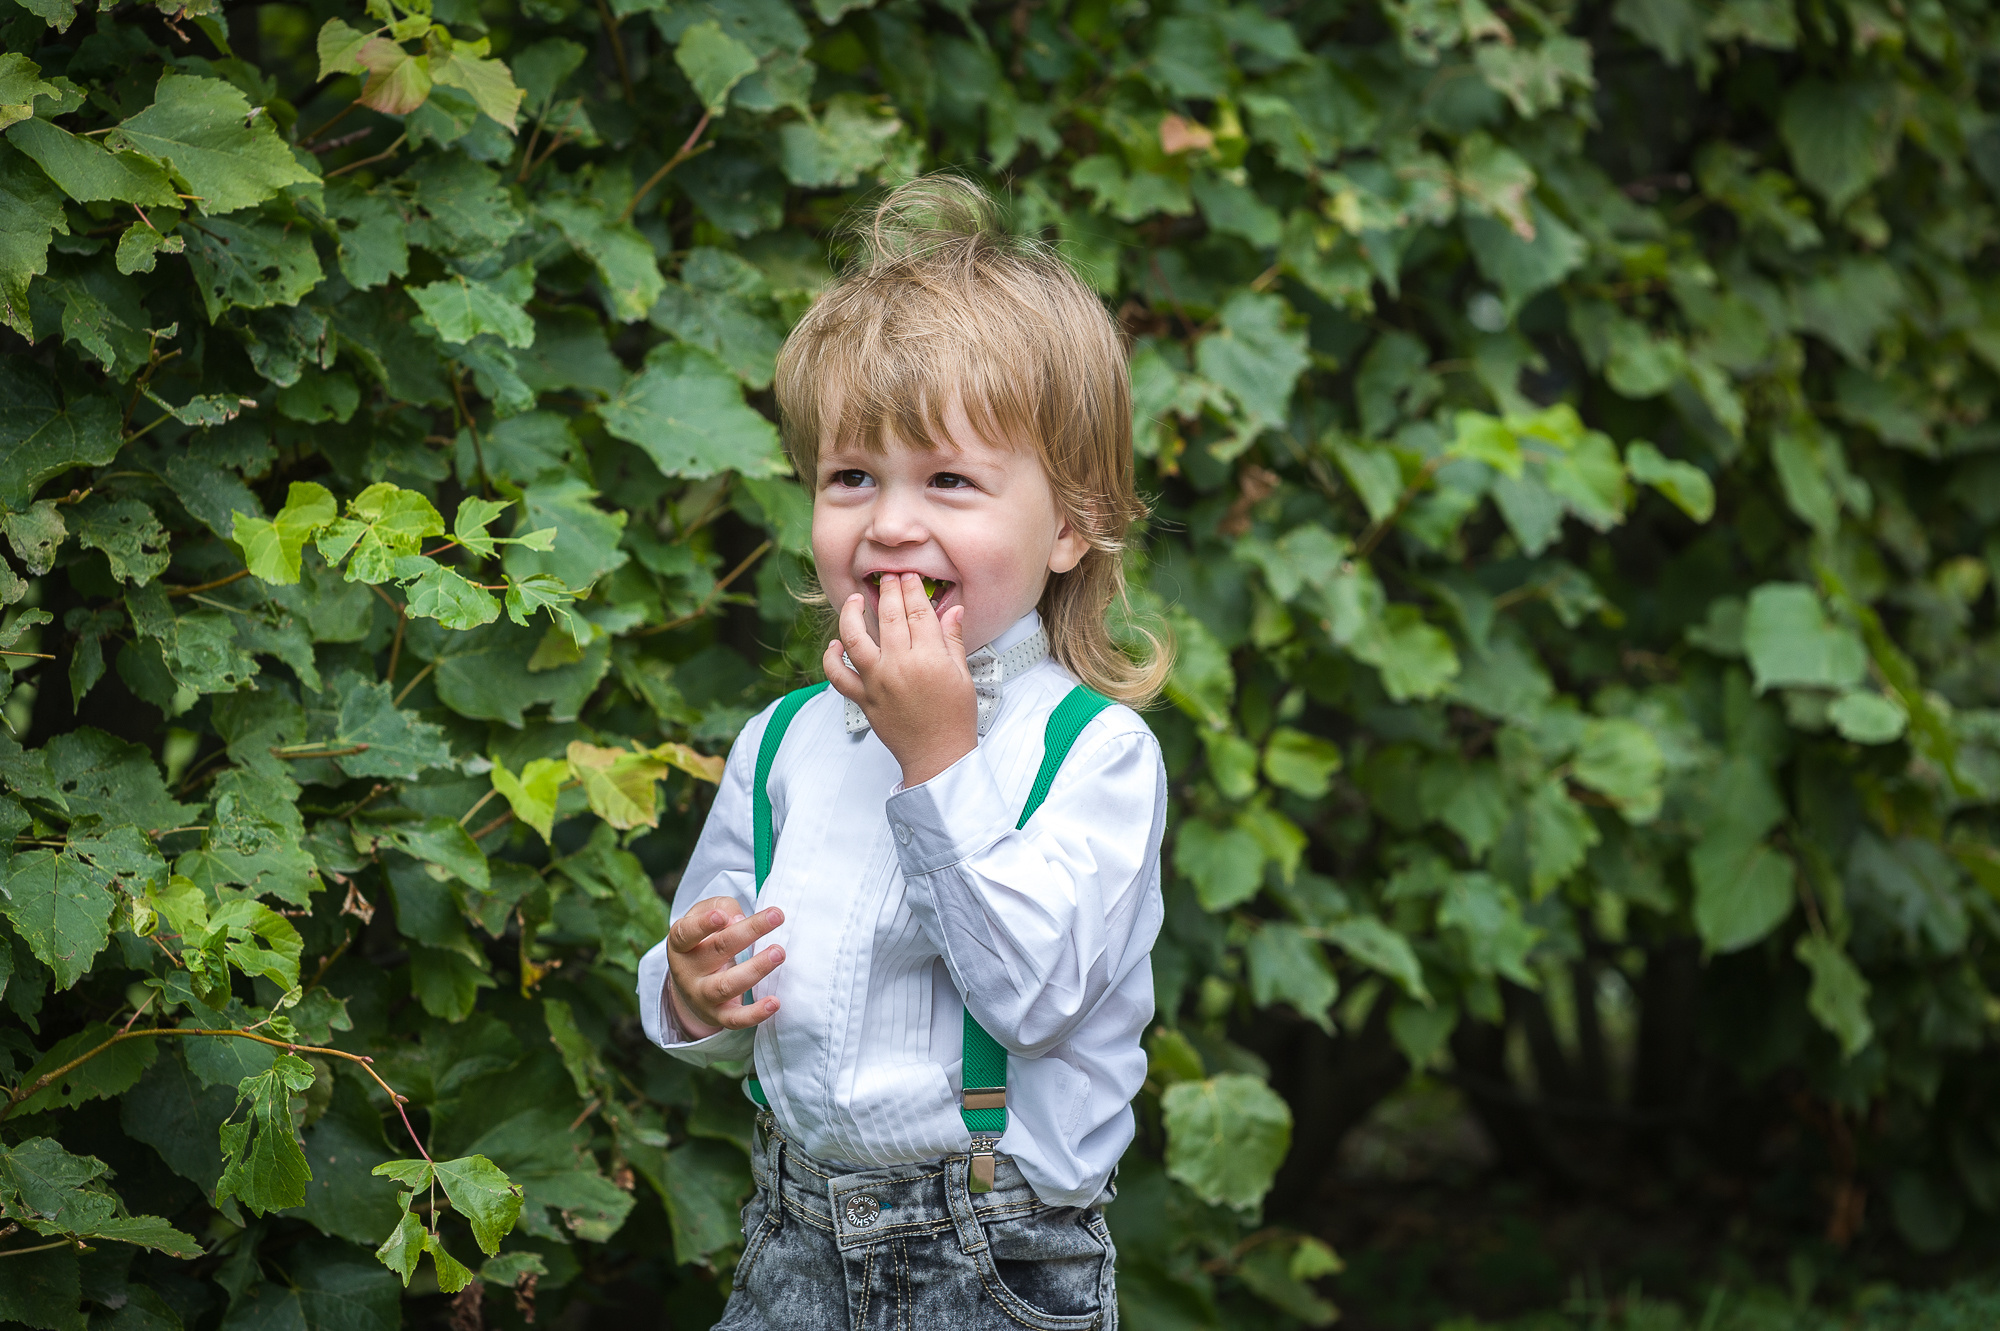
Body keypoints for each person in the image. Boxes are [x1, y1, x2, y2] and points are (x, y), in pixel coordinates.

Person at [635, 173, 1170, 1331]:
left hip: (991, 1258)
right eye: (850, 478)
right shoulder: (781, 740)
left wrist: (935, 755)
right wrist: (687, 989)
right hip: (793, 1235)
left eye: (948, 482)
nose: (887, 523)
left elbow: (1028, 996)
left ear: (1071, 521)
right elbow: (728, 985)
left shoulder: (1095, 752)